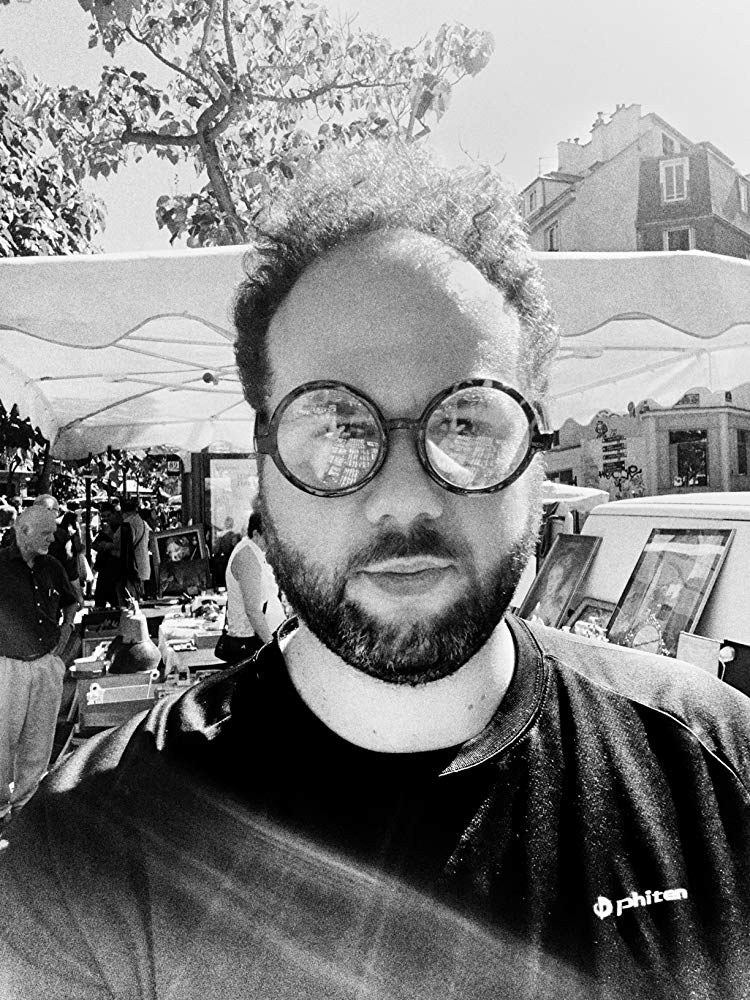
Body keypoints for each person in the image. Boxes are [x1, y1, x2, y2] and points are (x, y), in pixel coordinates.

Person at [1, 143, 750, 1000]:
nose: (403, 499)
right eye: (336, 425)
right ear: (263, 460)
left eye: (465, 421)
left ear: (537, 451)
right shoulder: (79, 857)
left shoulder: (718, 769)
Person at [0, 506, 77, 830]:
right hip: (9, 667)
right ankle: (1, 809)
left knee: (39, 740)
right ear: (23, 531)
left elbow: (71, 601)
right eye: (45, 533)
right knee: (2, 741)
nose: (52, 539)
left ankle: (25, 808)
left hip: (45, 664)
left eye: (53, 532)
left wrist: (65, 634)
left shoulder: (52, 566)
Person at [217, 511, 285, 662]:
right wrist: (273, 648)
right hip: (252, 642)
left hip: (263, 637)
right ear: (256, 534)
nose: (274, 541)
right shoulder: (247, 556)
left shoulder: (254, 551)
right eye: (271, 536)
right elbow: (253, 610)